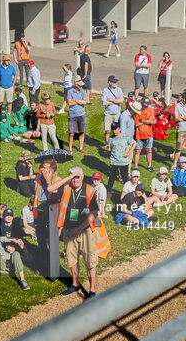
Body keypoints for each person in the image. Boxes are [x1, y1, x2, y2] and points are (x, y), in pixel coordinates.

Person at [56, 167, 100, 298]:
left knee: (90, 260)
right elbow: (50, 189)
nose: (75, 180)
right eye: (73, 177)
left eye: (77, 177)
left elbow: (94, 213)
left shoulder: (89, 191)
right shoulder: (65, 188)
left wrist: (79, 228)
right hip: (69, 230)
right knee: (71, 258)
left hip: (85, 231)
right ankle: (75, 285)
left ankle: (92, 290)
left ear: (82, 177)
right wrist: (68, 178)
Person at [106, 122, 135, 197]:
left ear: (120, 129)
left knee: (125, 178)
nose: (114, 131)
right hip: (114, 161)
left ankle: (127, 193)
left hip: (123, 162)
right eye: (113, 129)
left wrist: (129, 152)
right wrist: (107, 148)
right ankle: (108, 191)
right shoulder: (111, 138)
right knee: (111, 177)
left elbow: (134, 143)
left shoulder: (125, 137)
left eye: (115, 129)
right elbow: (109, 147)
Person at [66, 78, 88, 153]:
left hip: (82, 114)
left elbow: (85, 102)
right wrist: (80, 101)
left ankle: (81, 148)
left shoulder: (83, 91)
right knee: (71, 133)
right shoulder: (70, 91)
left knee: (82, 131)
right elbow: (69, 103)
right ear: (76, 85)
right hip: (72, 115)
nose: (81, 87)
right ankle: (70, 149)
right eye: (80, 86)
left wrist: (75, 100)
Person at [101, 75, 124, 144]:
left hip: (117, 113)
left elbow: (121, 101)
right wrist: (116, 100)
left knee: (118, 130)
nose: (116, 83)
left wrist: (111, 100)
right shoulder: (105, 90)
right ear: (110, 82)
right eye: (114, 82)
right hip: (108, 113)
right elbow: (104, 102)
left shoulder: (119, 89)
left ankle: (117, 143)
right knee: (107, 131)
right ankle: (107, 144)